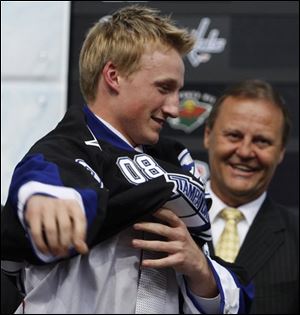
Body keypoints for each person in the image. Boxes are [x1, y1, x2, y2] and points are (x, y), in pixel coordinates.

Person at [1, 6, 252, 314]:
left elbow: (227, 295)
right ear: (114, 76)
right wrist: (43, 203)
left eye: (178, 91)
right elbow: (43, 182)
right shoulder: (62, 151)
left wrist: (200, 269)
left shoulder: (175, 159)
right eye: (164, 88)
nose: (175, 108)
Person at [203, 79, 299, 314]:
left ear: (281, 152)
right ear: (208, 136)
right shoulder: (164, 222)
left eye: (262, 141)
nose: (245, 152)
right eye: (234, 135)